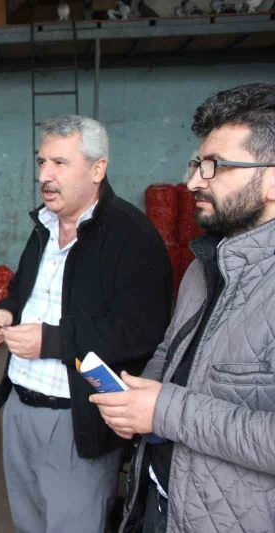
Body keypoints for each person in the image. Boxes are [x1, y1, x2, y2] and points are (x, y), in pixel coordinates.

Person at [92, 83, 275, 533]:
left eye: (215, 166)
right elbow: (171, 350)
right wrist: (137, 397)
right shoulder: (203, 264)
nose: (193, 181)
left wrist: (163, 410)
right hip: (160, 500)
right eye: (196, 164)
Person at [0, 115, 172, 533]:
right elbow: (24, 289)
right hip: (19, 406)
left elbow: (142, 331)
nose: (44, 176)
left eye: (60, 163)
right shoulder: (45, 226)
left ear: (97, 169)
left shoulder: (133, 237)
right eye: (41, 162)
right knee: (28, 521)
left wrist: (51, 341)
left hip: (77, 416)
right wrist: (6, 310)